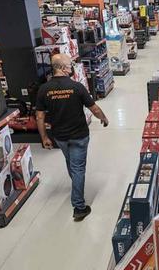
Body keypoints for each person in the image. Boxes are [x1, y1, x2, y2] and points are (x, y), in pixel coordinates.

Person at [36, 53, 109, 221]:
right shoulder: (77, 87)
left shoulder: (44, 89)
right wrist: (103, 118)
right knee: (78, 168)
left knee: (71, 162)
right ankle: (79, 207)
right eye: (70, 65)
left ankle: (76, 185)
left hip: (60, 137)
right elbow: (94, 109)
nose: (71, 68)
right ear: (62, 68)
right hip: (79, 135)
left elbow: (39, 116)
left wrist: (44, 137)